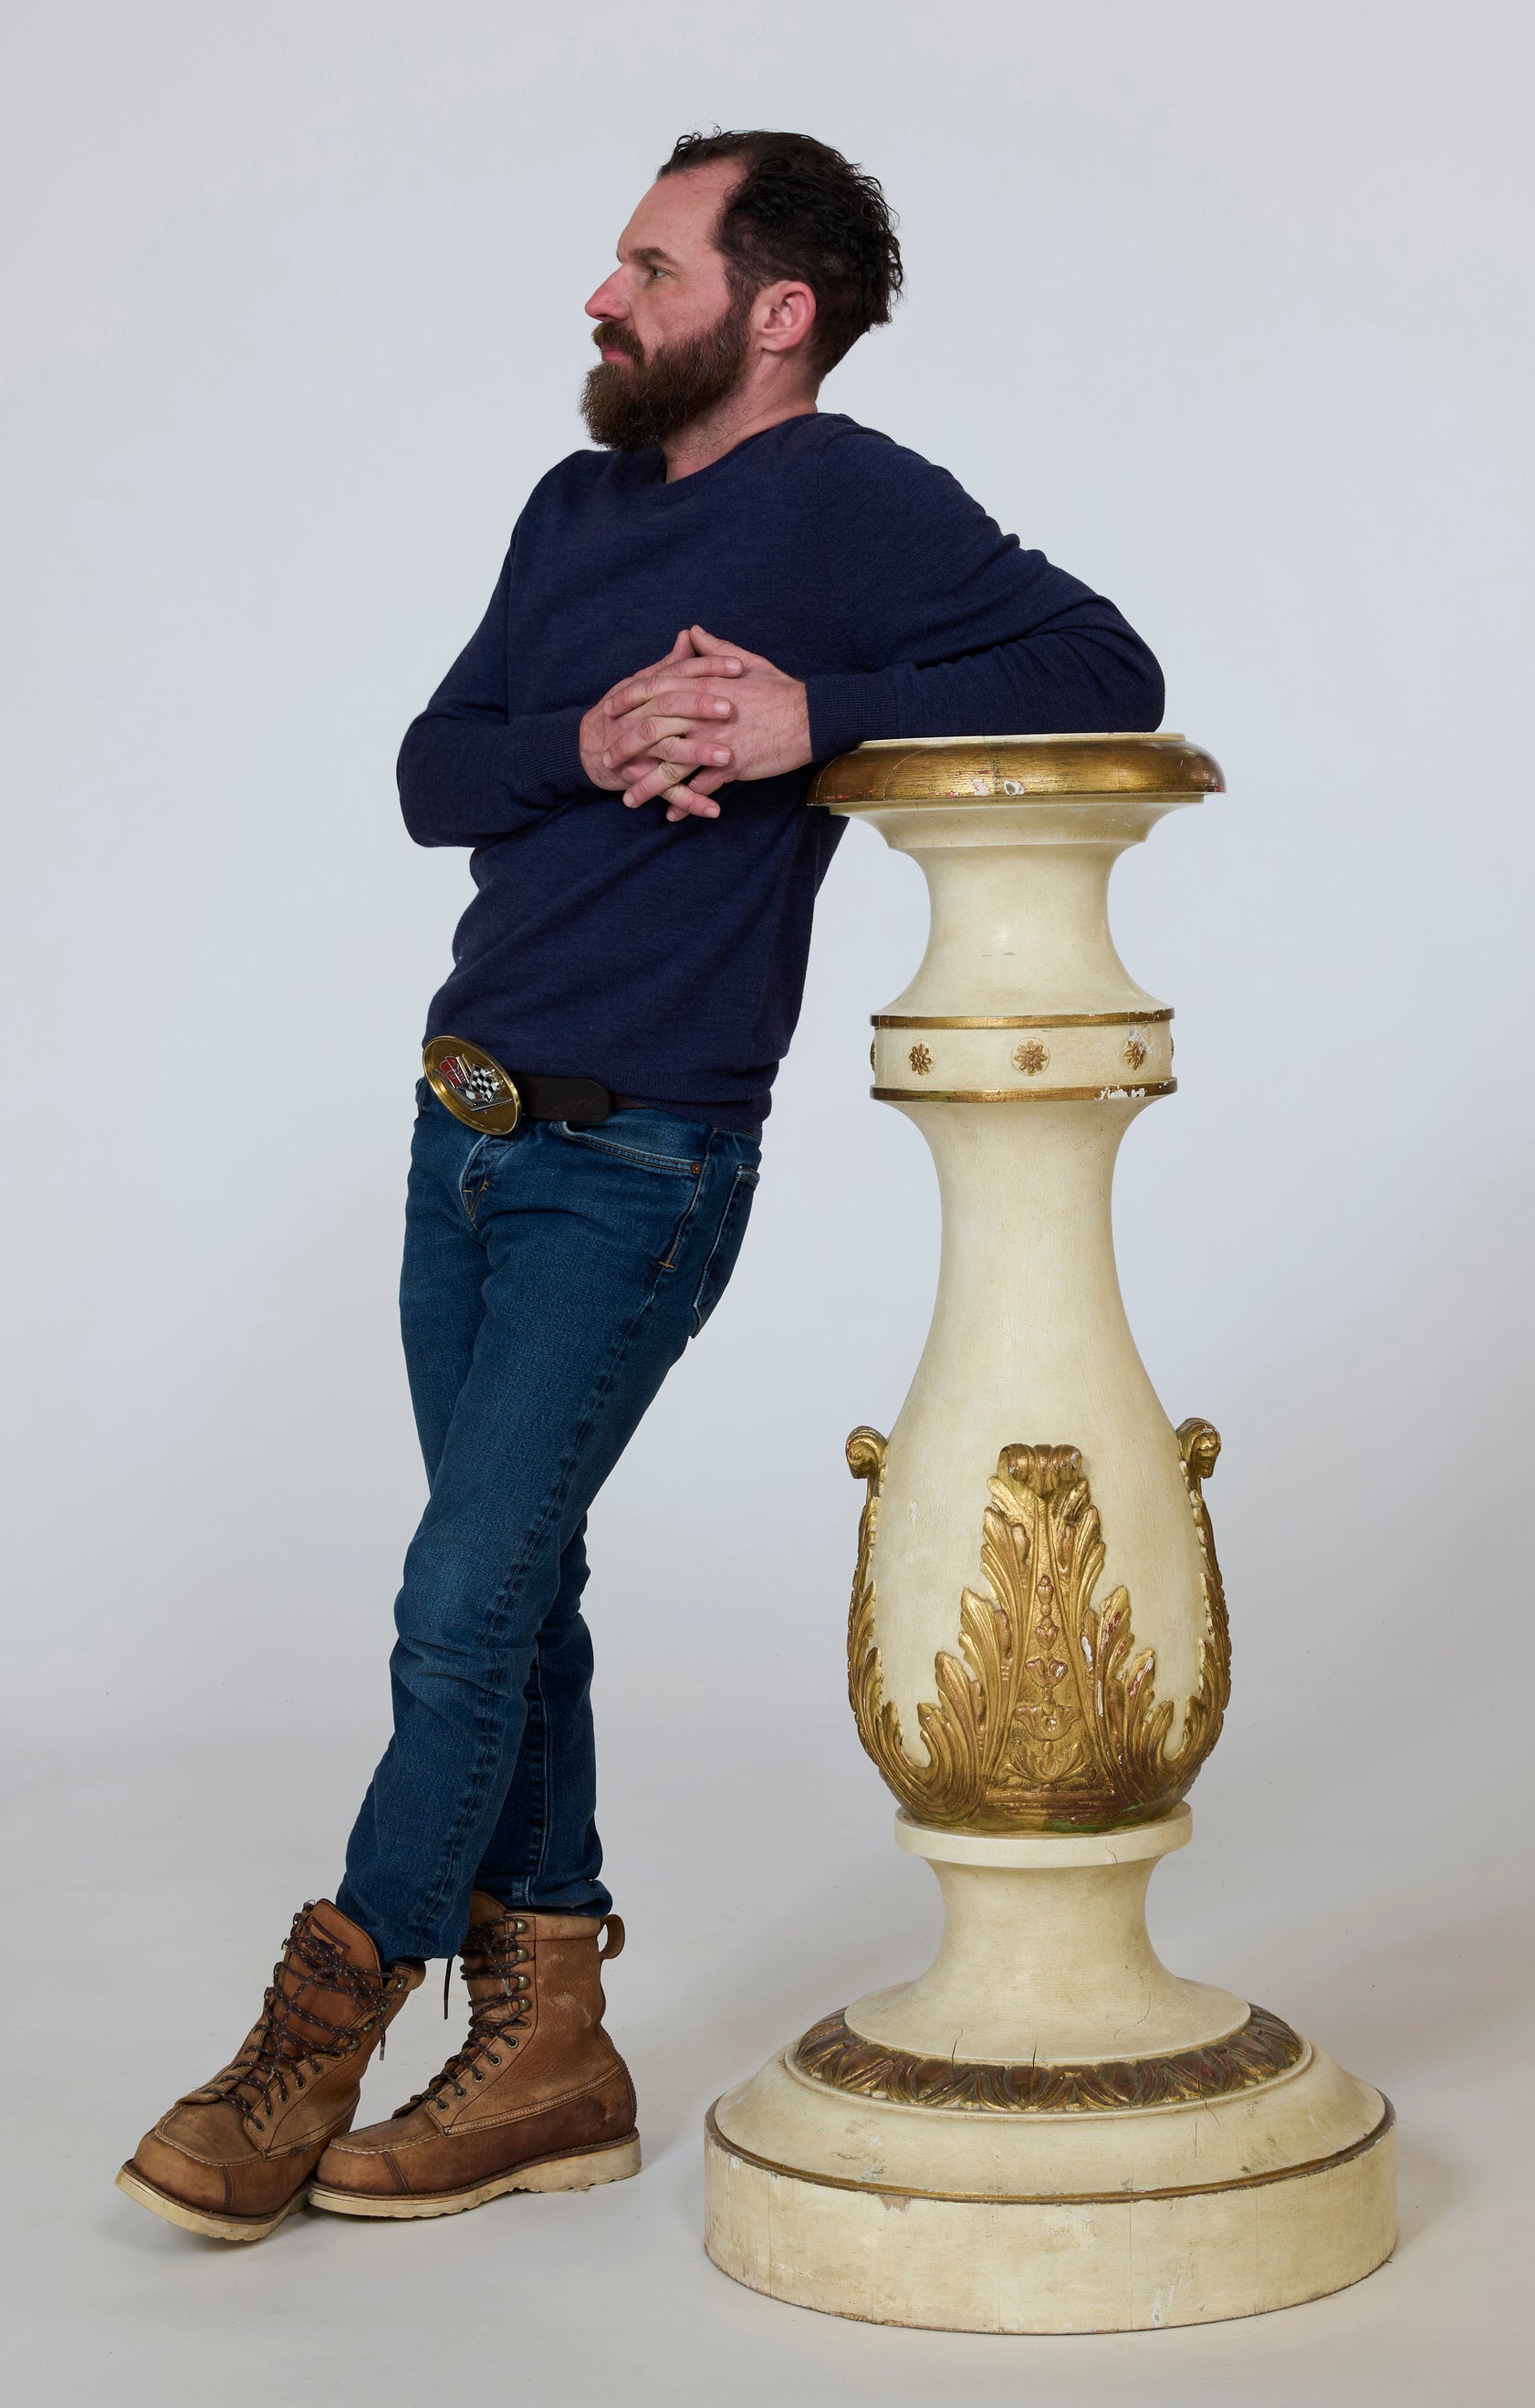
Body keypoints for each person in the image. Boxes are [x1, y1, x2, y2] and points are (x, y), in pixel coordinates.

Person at [118, 129, 1165, 2242]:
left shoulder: (853, 500)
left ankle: (315, 2023)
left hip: (640, 1154)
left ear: (774, 313)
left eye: (646, 263)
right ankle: (553, 2047)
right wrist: (584, 745)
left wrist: (817, 718)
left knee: (457, 1607)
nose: (602, 298)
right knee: (524, 1594)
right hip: (461, 1123)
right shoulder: (574, 505)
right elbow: (433, 773)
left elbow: (1104, 671)